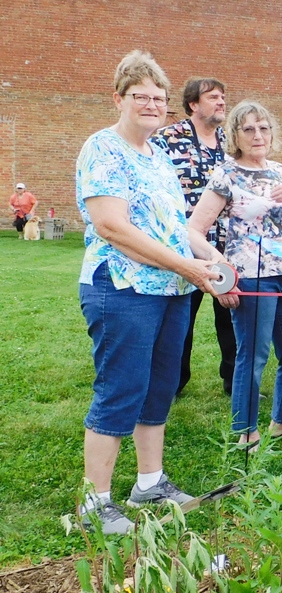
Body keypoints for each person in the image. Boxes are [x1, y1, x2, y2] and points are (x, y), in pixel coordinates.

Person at [76, 51, 221, 534]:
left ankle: (149, 483)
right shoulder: (103, 148)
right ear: (118, 99)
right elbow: (112, 226)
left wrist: (212, 257)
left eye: (159, 98)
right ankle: (95, 503)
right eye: (140, 96)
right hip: (122, 287)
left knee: (159, 387)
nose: (152, 105)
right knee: (121, 389)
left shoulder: (158, 157)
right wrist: (186, 266)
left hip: (172, 289)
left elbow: (175, 227)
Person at [187, 100, 282, 450]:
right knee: (253, 356)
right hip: (251, 280)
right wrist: (220, 269)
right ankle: (246, 432)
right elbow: (193, 230)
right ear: (236, 135)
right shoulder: (227, 175)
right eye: (249, 129)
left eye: (263, 128)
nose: (258, 135)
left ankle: (281, 424)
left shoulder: (280, 171)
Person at [151, 77, 237, 397]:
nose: (221, 102)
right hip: (184, 246)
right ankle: (173, 383)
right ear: (193, 104)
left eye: (222, 96)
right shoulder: (166, 139)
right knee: (180, 319)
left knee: (231, 315)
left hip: (226, 245)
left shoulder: (232, 143)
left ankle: (235, 380)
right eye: (213, 97)